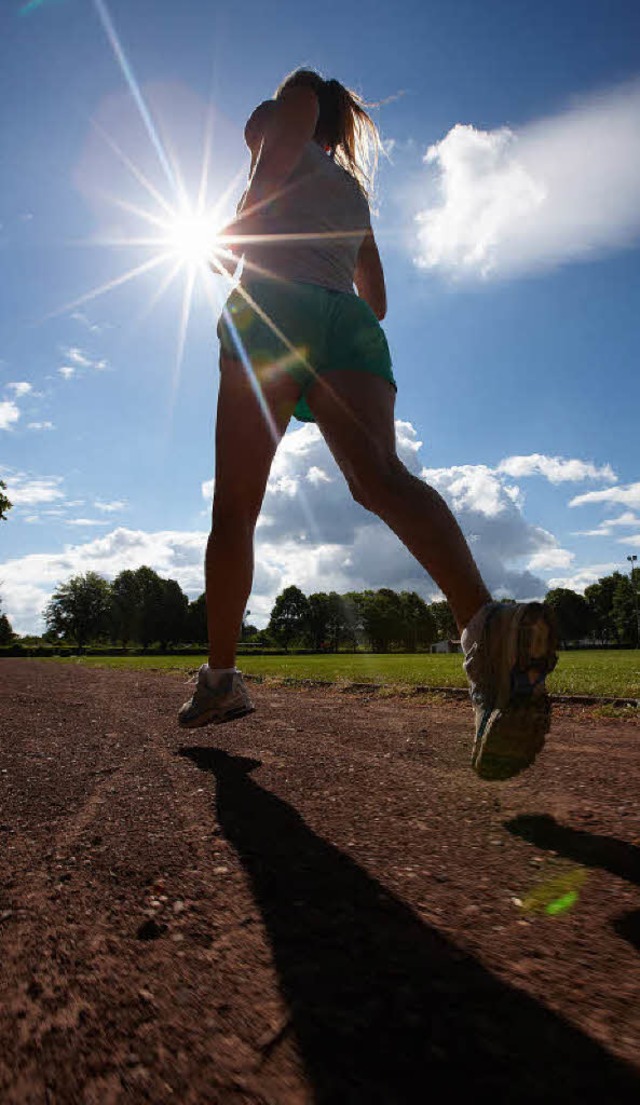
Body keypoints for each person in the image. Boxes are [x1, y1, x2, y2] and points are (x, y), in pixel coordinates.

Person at [178, 68, 557, 780]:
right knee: (381, 478)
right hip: (349, 326)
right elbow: (375, 298)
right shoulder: (354, 192)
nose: (254, 140)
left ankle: (220, 679)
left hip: (272, 309)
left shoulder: (290, 106)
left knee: (235, 513)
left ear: (291, 116)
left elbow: (269, 175)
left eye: (256, 131)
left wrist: (230, 234)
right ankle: (487, 629)